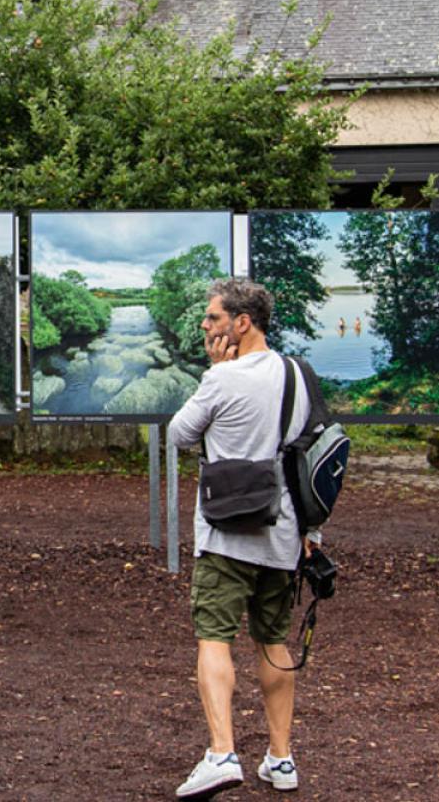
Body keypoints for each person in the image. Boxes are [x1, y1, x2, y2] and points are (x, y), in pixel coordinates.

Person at [166, 277, 317, 798]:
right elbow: (308, 458)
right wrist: (311, 531)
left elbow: (178, 434)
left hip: (225, 536)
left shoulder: (222, 379)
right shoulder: (300, 376)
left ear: (241, 322)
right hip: (283, 535)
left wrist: (214, 372)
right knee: (274, 642)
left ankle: (221, 753)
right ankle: (281, 759)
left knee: (214, 640)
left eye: (212, 318)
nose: (205, 326)